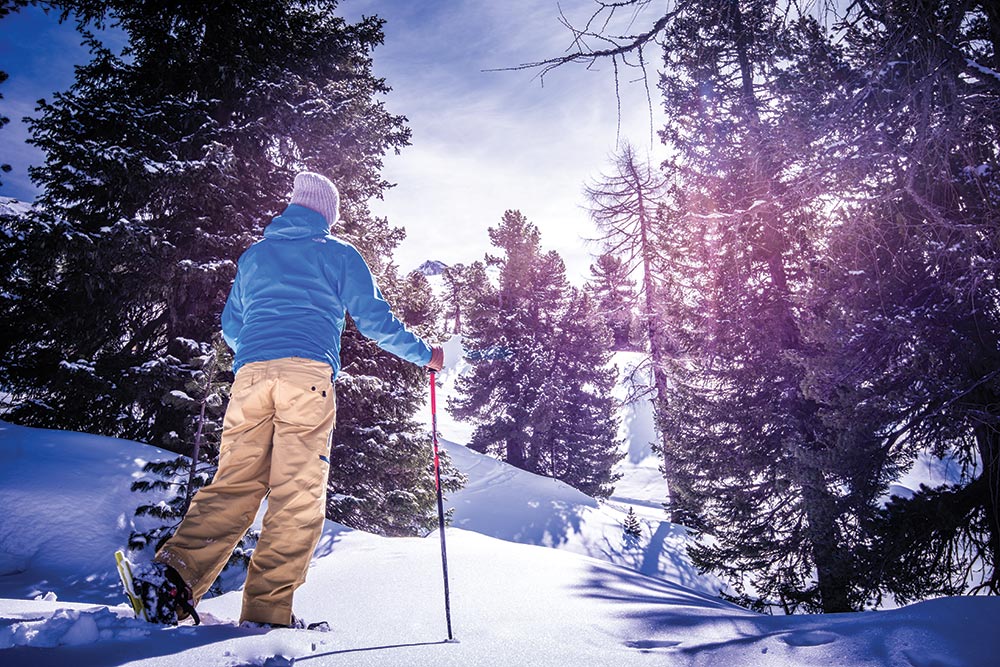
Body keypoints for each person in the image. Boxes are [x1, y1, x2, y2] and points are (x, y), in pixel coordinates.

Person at [130, 171, 444, 627]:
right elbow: (375, 322)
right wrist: (425, 355)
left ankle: (173, 580)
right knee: (297, 495)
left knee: (234, 482)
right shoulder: (337, 253)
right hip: (307, 377)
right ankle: (266, 613)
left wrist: (262, 354)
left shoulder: (255, 256)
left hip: (251, 377)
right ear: (327, 214)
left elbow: (232, 328)